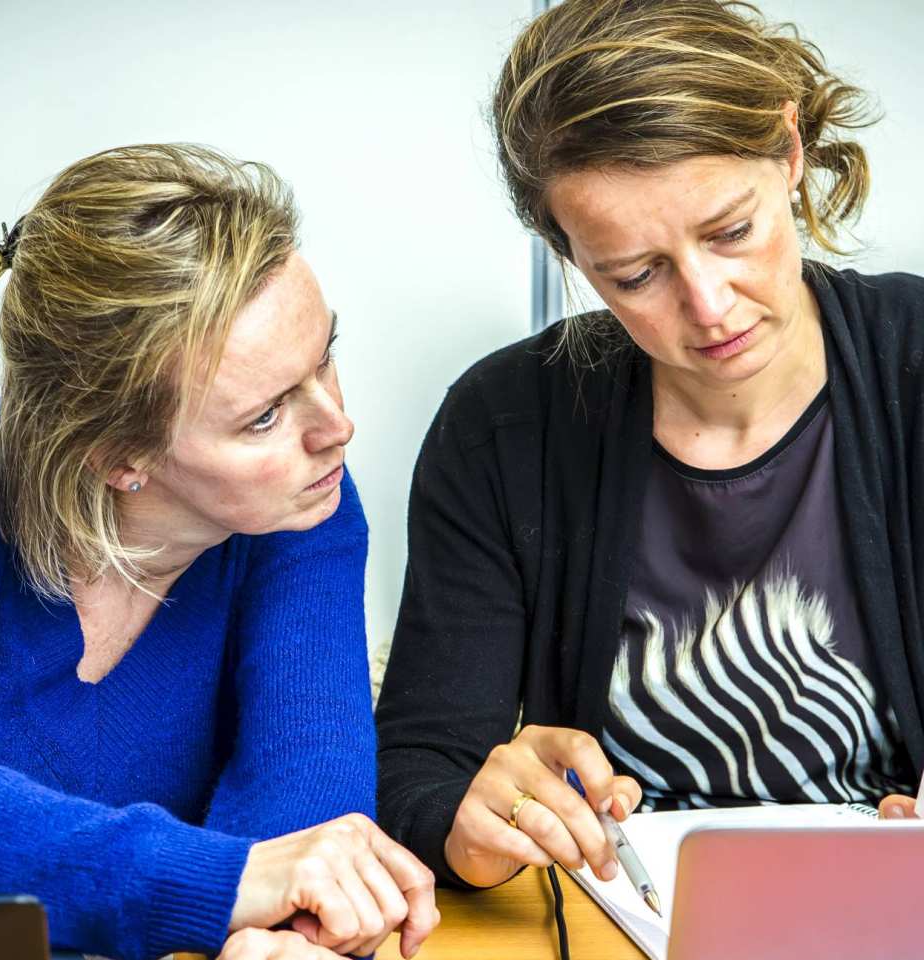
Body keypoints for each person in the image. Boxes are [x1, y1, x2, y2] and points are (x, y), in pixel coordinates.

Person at [0, 143, 437, 960]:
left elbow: (304, 784)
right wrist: (217, 885)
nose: (338, 426)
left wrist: (294, 946)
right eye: (264, 415)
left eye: (323, 357)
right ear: (118, 458)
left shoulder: (303, 513)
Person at [376, 0, 923, 895]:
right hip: (614, 928)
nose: (708, 306)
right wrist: (467, 818)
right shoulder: (501, 426)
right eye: (636, 274)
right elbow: (420, 767)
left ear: (789, 153)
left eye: (731, 231)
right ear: (573, 257)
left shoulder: (914, 365)